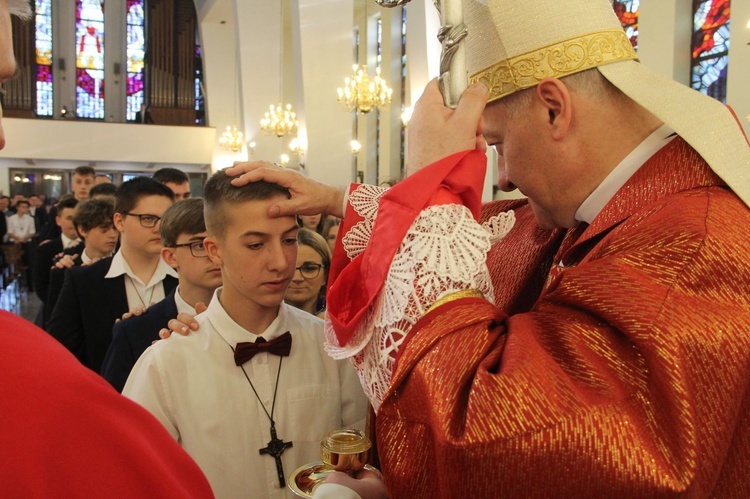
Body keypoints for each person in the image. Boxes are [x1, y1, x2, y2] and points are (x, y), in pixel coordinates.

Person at [226, 0, 750, 496]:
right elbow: (506, 228)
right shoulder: (635, 207)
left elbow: (504, 437)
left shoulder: (691, 249)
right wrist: (343, 199)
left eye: (496, 144)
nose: (504, 178)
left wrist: (431, 187)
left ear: (553, 109)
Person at [0, 1, 213, 495]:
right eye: (148, 219)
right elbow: (63, 365)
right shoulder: (80, 282)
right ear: (119, 221)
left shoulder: (191, 283)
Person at [123, 170, 368, 498]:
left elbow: (356, 458)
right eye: (256, 244)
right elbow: (138, 480)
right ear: (214, 250)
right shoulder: (167, 364)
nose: (281, 262)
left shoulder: (329, 346)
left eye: (290, 240)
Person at [47, 177, 176, 373]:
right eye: (148, 219)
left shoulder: (183, 276)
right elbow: (60, 353)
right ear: (119, 221)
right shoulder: (84, 281)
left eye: (166, 219)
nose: (159, 228)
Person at [102, 198, 222, 392]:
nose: (214, 255)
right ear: (170, 257)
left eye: (219, 244)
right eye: (199, 245)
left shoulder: (255, 318)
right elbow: (116, 407)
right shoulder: (134, 330)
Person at [44, 197, 118, 328]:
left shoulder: (120, 266)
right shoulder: (64, 268)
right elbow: (55, 321)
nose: (112, 234)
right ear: (83, 230)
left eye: (115, 228)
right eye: (104, 228)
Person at [33, 196, 79, 316]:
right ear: (58, 221)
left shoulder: (88, 248)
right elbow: (41, 286)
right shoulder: (45, 250)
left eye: (78, 218)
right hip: (53, 310)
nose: (75, 223)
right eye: (69, 218)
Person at [284, 227, 329, 319]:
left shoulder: (338, 323)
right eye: (289, 268)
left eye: (309, 269)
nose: (297, 278)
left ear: (325, 275)